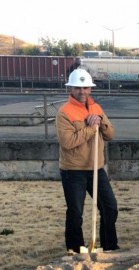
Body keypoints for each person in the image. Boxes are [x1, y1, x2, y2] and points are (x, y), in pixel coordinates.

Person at [56, 68, 119, 253]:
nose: (82, 92)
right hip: (73, 170)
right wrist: (91, 128)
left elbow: (110, 134)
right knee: (75, 212)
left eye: (85, 88)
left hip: (96, 168)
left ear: (90, 89)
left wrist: (101, 121)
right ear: (71, 89)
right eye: (78, 88)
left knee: (110, 207)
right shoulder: (64, 112)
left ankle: (109, 247)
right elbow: (68, 142)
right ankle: (75, 249)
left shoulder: (96, 108)